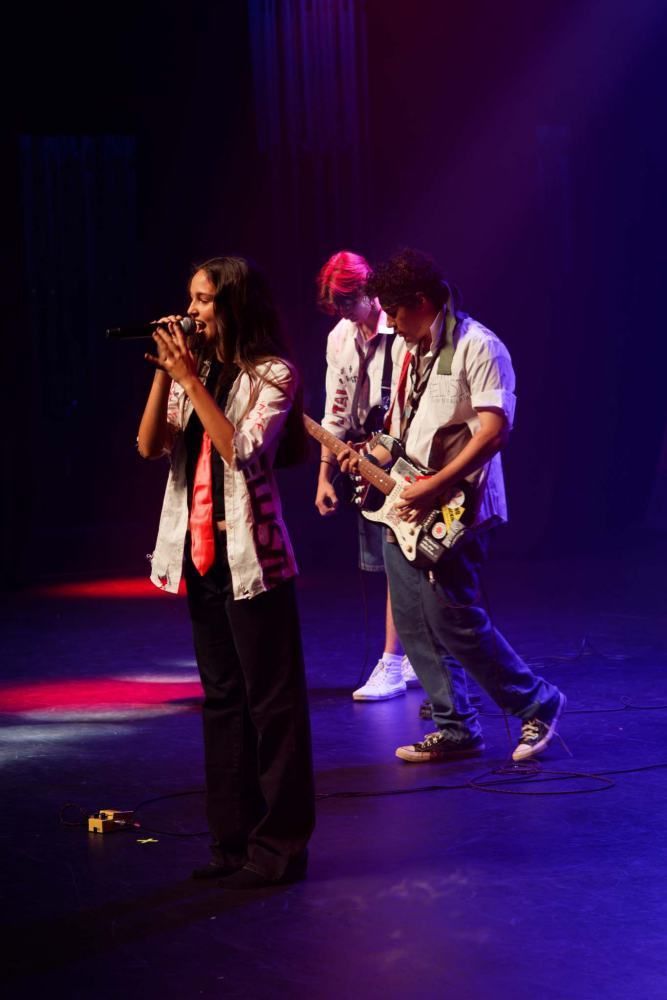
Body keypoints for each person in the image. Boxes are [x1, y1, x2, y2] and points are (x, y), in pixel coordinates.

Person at [337, 248, 566, 763]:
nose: (391, 325)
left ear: (421, 301)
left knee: (453, 619)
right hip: (405, 503)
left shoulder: (479, 346)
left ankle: (538, 701)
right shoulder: (410, 350)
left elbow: (493, 431)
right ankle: (455, 726)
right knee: (416, 621)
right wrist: (368, 456)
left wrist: (434, 484)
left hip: (456, 508)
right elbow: (401, 430)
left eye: (396, 314)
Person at [137, 256, 315, 887]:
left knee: (272, 704)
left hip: (253, 560)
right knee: (222, 701)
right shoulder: (198, 374)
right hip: (198, 553)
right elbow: (149, 445)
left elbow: (242, 450)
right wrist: (167, 376)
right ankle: (231, 843)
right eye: (189, 298)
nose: (192, 311)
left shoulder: (274, 374)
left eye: (205, 300)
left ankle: (280, 848)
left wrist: (191, 380)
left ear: (234, 304)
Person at [315, 250, 420, 701]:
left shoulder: (400, 331)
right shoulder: (340, 338)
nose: (340, 312)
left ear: (367, 292)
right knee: (385, 564)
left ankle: (395, 661)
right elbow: (335, 412)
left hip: (403, 453)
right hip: (363, 458)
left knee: (406, 560)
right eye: (334, 306)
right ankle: (410, 656)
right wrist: (324, 475)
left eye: (346, 302)